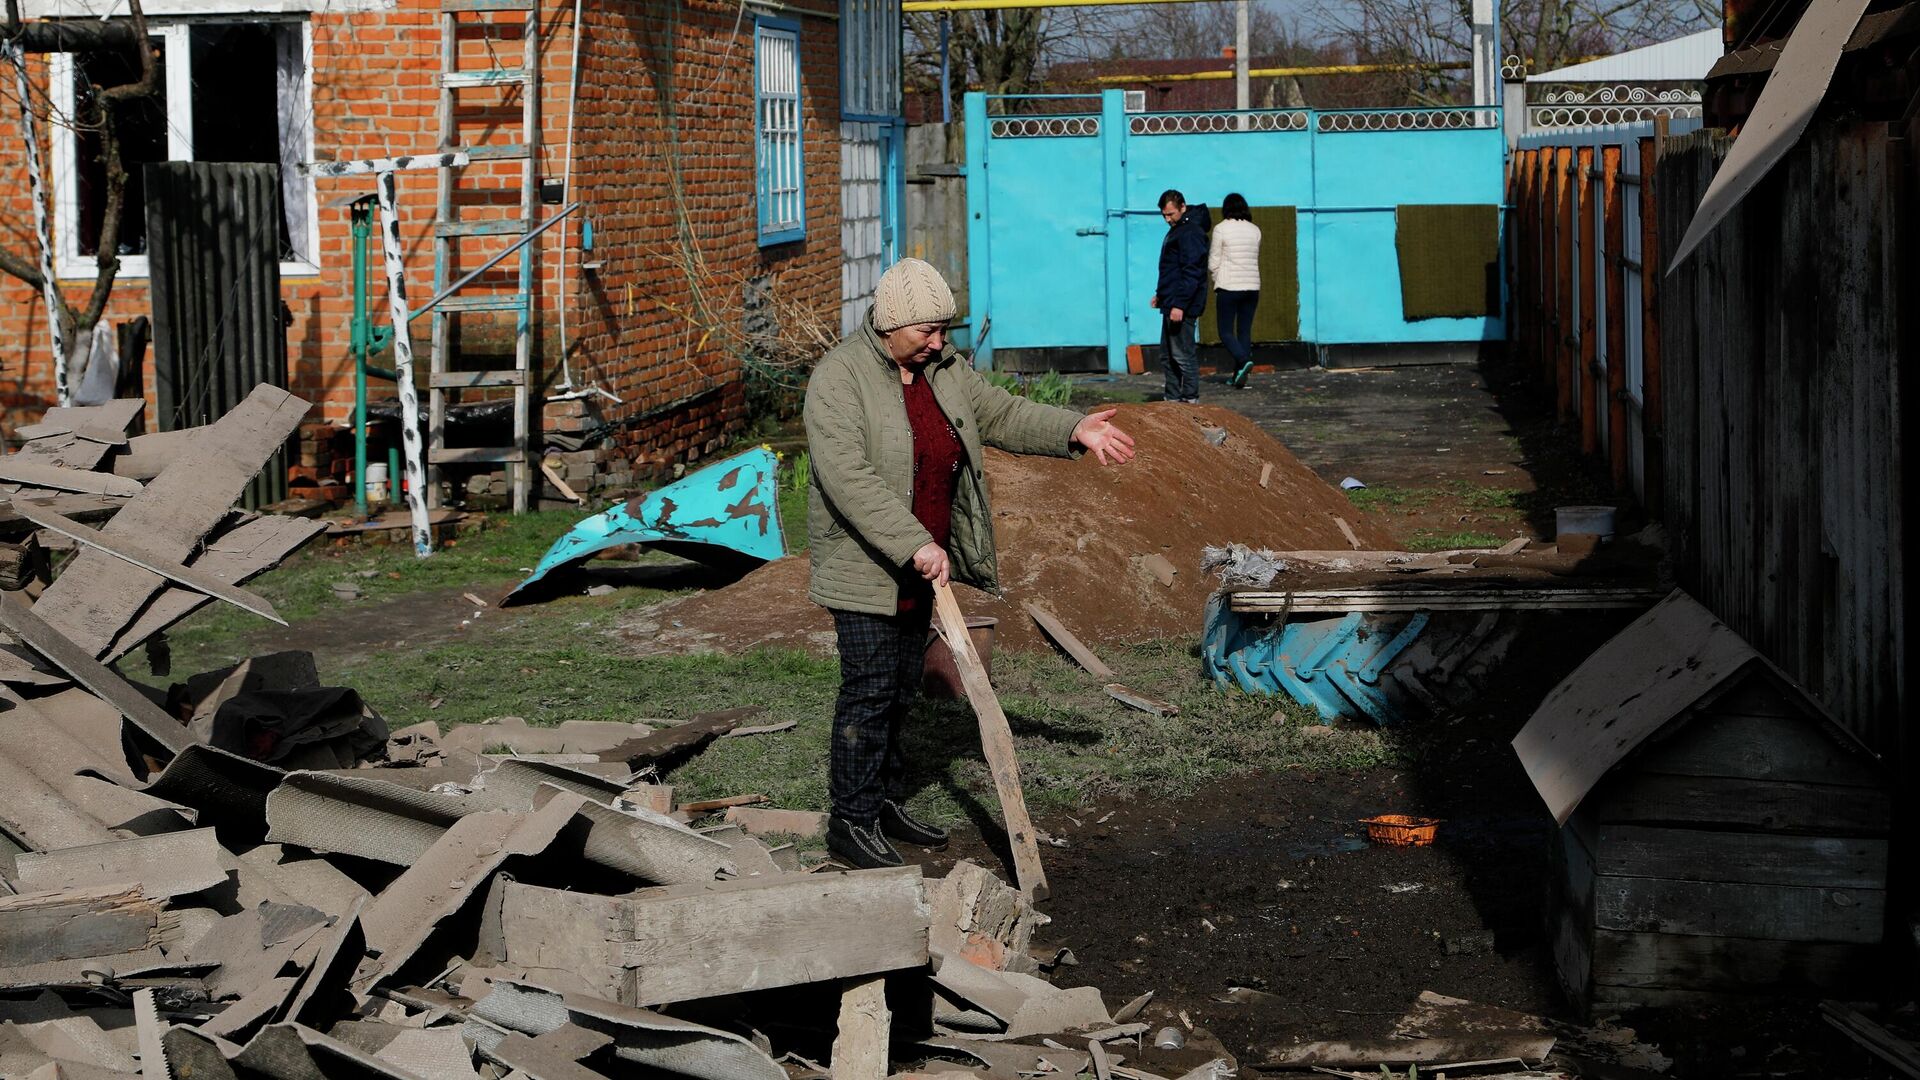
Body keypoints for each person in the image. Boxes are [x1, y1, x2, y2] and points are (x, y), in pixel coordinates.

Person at [804, 258, 1137, 870]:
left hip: (921, 560)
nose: (940, 341)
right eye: (928, 330)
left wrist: (1075, 427)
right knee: (870, 691)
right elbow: (847, 478)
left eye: (943, 329)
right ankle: (849, 822)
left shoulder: (944, 369)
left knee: (902, 690)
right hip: (866, 563)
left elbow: (1003, 413)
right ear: (891, 323)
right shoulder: (839, 379)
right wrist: (913, 542)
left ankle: (882, 802)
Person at [1151, 189, 1208, 404]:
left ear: (1183, 207)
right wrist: (1161, 296)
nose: (1167, 219)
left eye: (1171, 214)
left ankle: (1190, 397)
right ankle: (1172, 397)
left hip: (1182, 305)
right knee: (1168, 355)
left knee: (1182, 354)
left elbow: (1191, 271)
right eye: (1164, 215)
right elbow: (1172, 270)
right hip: (1172, 302)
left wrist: (1179, 305)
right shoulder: (1178, 230)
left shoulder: (1190, 232)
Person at [1209, 193, 1262, 389]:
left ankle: (1242, 360)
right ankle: (1239, 375)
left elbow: (1214, 260)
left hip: (1229, 286)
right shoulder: (1255, 230)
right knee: (1244, 332)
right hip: (1252, 286)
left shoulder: (1221, 229)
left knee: (1225, 331)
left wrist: (1217, 279)